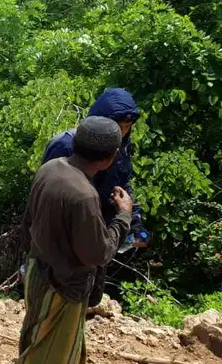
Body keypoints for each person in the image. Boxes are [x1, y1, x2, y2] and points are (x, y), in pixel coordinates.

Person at [18, 116, 133, 364]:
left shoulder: (50, 168)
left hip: (38, 271)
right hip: (63, 285)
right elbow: (97, 253)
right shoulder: (83, 195)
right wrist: (124, 215)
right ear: (110, 157)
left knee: (39, 339)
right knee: (51, 355)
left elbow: (27, 222)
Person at [41, 88, 148, 307]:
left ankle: (71, 335)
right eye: (118, 126)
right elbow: (46, 195)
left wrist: (134, 222)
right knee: (57, 298)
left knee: (89, 297)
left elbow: (123, 183)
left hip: (99, 230)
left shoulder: (121, 148)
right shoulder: (65, 145)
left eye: (127, 127)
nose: (121, 132)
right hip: (65, 237)